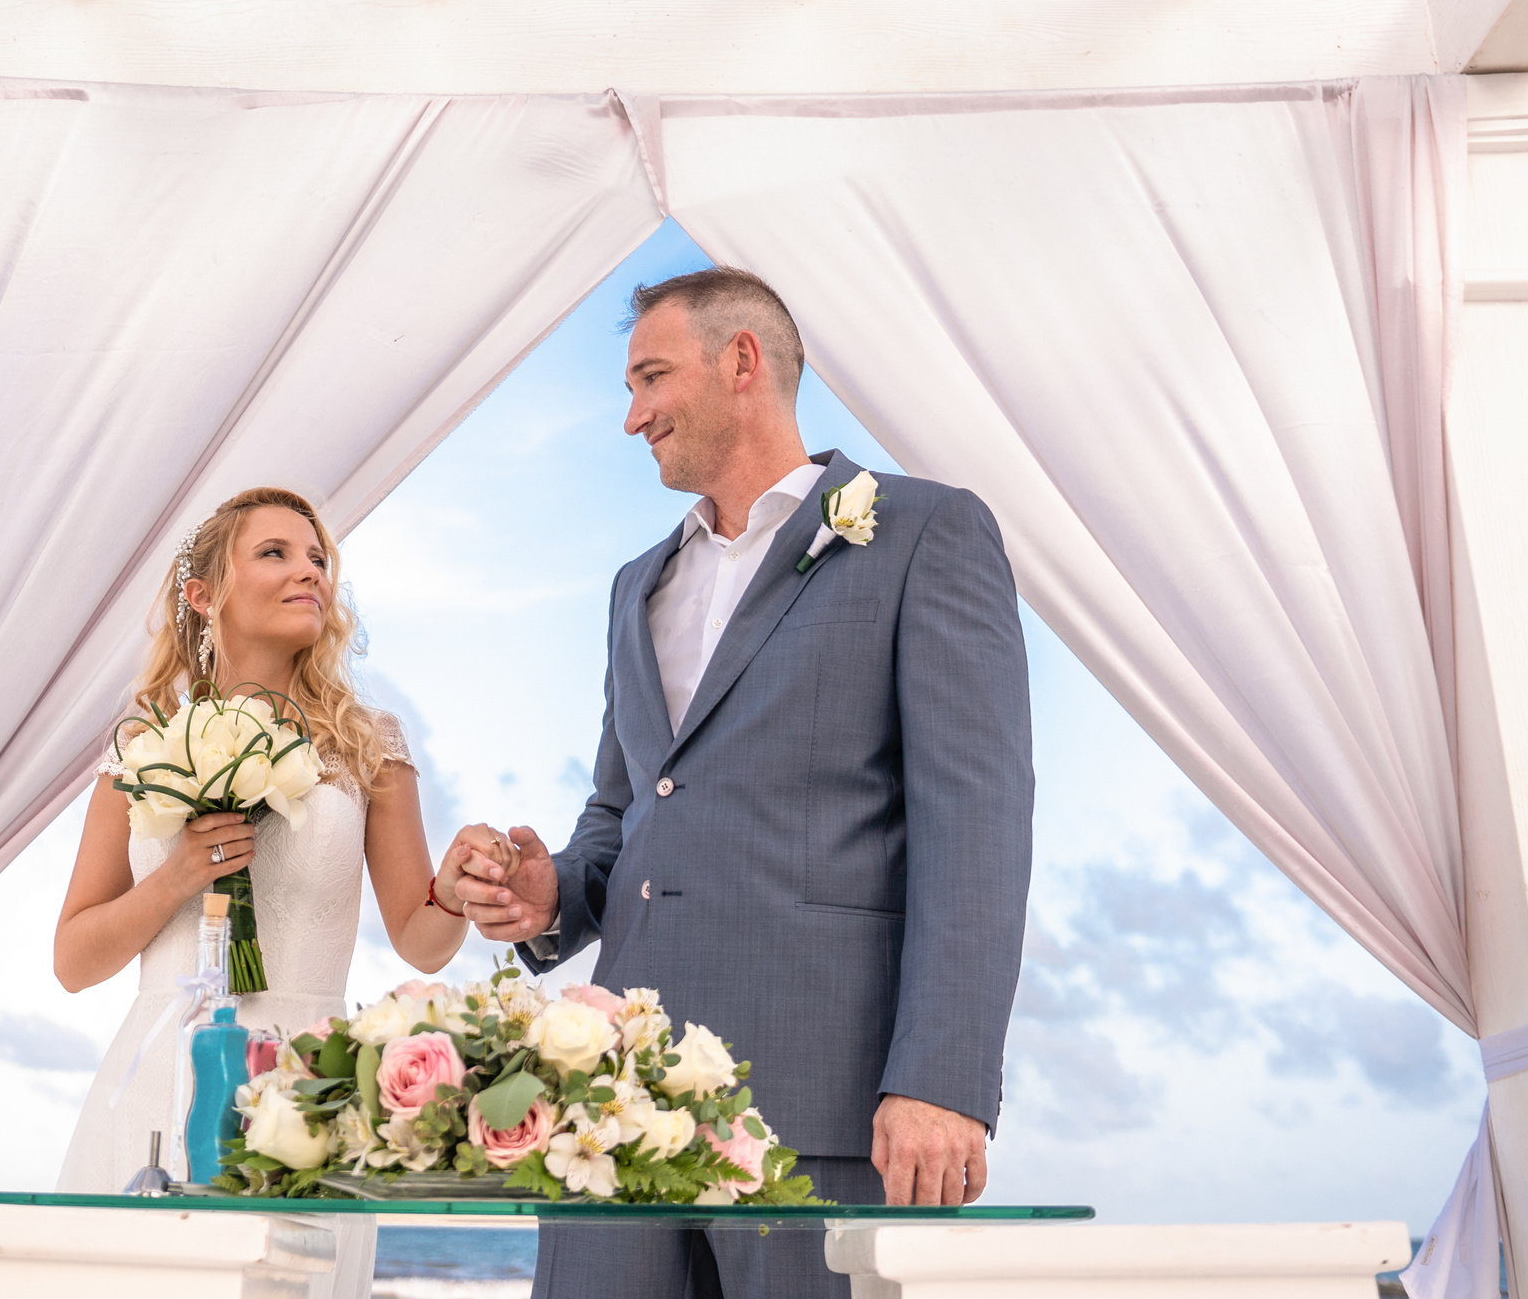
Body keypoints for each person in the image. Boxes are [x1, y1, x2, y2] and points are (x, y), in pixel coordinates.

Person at [456, 269, 1035, 1299]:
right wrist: (552, 893)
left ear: (741, 362)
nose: (631, 414)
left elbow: (976, 826)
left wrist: (940, 1079)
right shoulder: (637, 583)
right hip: (608, 1121)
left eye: (650, 376)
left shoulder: (922, 533)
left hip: (821, 1111)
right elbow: (626, 809)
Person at [52, 488, 482, 1261]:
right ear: (202, 592)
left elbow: (422, 941)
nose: (309, 571)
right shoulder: (144, 744)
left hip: (308, 1088)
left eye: (318, 557)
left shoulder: (367, 744)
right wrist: (176, 876)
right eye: (275, 553)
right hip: (155, 1083)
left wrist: (450, 889)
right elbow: (74, 959)